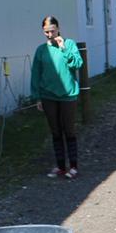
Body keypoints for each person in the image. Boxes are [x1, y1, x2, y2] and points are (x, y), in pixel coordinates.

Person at [31, 15, 84, 179]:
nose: (49, 35)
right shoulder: (41, 50)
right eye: (46, 32)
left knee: (69, 129)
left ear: (58, 28)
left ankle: (73, 166)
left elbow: (77, 64)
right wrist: (37, 96)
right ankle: (61, 166)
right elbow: (35, 74)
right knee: (55, 131)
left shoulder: (69, 44)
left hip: (67, 94)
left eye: (52, 31)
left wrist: (63, 49)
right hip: (48, 95)